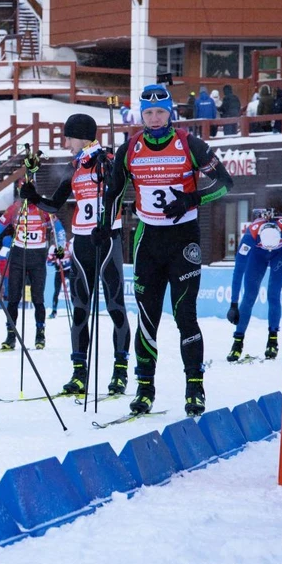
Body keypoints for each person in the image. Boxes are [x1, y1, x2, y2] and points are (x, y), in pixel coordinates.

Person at [103, 83, 233, 417]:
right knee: (147, 319)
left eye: (161, 111)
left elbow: (225, 184)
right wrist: (105, 227)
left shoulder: (189, 143)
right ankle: (145, 388)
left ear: (170, 112)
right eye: (149, 112)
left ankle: (194, 388)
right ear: (141, 115)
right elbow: (114, 193)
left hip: (184, 239)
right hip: (148, 240)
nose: (156, 118)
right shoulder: (130, 148)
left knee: (185, 316)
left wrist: (192, 198)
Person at [20, 113, 131, 396]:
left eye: (68, 137)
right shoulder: (75, 169)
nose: (66, 142)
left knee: (115, 305)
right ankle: (79, 372)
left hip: (107, 240)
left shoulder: (105, 161)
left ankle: (120, 372)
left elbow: (119, 187)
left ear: (82, 136)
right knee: (81, 309)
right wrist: (33, 197)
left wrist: (109, 164)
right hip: (81, 242)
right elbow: (53, 206)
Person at [0, 185, 66, 351]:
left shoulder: (43, 209)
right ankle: (11, 336)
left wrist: (61, 248)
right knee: (13, 298)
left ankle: (40, 334)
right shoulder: (15, 208)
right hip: (17, 258)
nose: (26, 200)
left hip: (37, 259)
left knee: (38, 299)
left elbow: (59, 230)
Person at [226, 208, 282, 361]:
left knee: (273, 293)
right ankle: (237, 342)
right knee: (249, 295)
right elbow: (238, 271)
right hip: (257, 255)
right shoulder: (250, 235)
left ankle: (272, 340)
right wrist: (233, 304)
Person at [46, 237, 72, 319]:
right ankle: (54, 311)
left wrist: (67, 264)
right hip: (59, 271)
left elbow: (74, 258)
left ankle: (78, 310)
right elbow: (48, 263)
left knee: (75, 290)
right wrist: (54, 260)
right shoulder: (53, 248)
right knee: (56, 291)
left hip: (68, 270)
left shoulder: (68, 245)